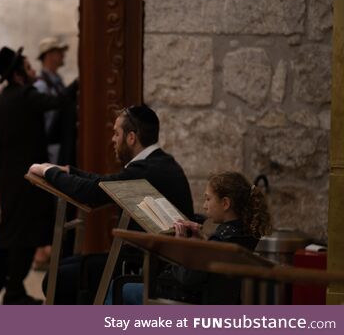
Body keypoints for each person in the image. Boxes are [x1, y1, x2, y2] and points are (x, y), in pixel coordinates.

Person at [29, 105, 195, 304]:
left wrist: (48, 171)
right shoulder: (158, 162)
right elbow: (106, 183)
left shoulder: (146, 170)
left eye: (116, 133)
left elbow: (91, 192)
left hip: (150, 266)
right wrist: (68, 171)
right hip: (148, 258)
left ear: (131, 137)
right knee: (63, 268)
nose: (113, 139)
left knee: (58, 278)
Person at [0, 46, 77, 305]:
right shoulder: (27, 95)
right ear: (18, 74)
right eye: (28, 66)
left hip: (8, 181)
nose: (33, 70)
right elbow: (59, 101)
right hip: (29, 180)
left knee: (7, 233)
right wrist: (80, 81)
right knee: (24, 236)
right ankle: (13, 291)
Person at [115, 171, 273, 305]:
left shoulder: (221, 239)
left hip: (190, 300)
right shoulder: (243, 233)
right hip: (217, 301)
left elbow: (186, 278)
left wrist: (180, 245)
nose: (205, 205)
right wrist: (203, 242)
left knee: (121, 285)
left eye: (208, 199)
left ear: (225, 203)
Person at [33, 37, 75, 271]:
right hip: (48, 149)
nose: (62, 56)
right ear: (49, 54)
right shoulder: (41, 85)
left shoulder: (57, 81)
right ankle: (41, 252)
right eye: (59, 52)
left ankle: (50, 248)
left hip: (59, 148)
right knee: (45, 202)